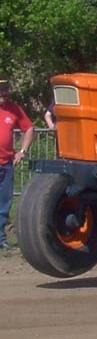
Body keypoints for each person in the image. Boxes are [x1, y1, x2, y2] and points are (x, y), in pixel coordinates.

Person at [0, 77, 34, 250]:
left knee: (4, 202)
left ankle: (1, 239)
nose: (3, 94)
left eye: (5, 90)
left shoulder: (14, 109)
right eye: (0, 91)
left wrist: (22, 151)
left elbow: (28, 128)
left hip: (6, 164)